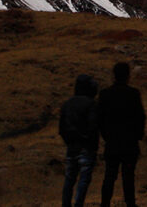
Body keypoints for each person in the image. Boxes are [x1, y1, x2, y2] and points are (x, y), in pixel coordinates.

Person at [98, 62, 146, 207]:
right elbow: (140, 116)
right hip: (129, 142)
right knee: (128, 176)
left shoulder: (105, 94)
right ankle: (130, 203)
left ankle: (105, 203)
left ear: (114, 75)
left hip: (112, 141)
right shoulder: (133, 94)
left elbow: (100, 118)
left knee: (109, 175)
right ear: (128, 76)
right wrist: (138, 135)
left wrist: (106, 136)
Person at [58, 74, 99, 207]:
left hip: (71, 147)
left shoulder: (67, 104)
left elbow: (61, 128)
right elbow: (93, 126)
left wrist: (70, 141)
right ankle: (78, 204)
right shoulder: (90, 104)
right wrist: (89, 141)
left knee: (69, 180)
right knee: (84, 180)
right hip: (86, 147)